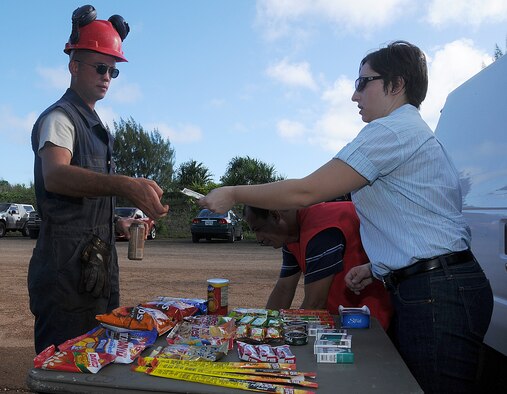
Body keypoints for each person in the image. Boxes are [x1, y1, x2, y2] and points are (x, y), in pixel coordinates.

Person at [199, 40, 493, 393]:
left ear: (396, 85)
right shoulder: (409, 133)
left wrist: (233, 193)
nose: (355, 96)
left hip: (436, 292)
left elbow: (305, 192)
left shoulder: (390, 131)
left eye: (362, 82)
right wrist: (377, 267)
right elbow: (422, 220)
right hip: (439, 286)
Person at [28, 5, 169, 354]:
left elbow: (83, 202)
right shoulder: (61, 118)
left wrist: (117, 222)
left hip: (93, 270)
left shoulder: (94, 124)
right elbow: (56, 175)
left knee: (96, 361)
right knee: (65, 366)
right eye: (100, 67)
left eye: (113, 70)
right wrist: (124, 184)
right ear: (74, 65)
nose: (107, 76)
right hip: (65, 274)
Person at [243, 202, 393, 330]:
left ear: (276, 216)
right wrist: (263, 327)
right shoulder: (291, 235)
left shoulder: (320, 229)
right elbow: (284, 289)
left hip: (370, 320)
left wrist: (279, 336)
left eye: (258, 229)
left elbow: (314, 304)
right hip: (341, 318)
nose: (259, 239)